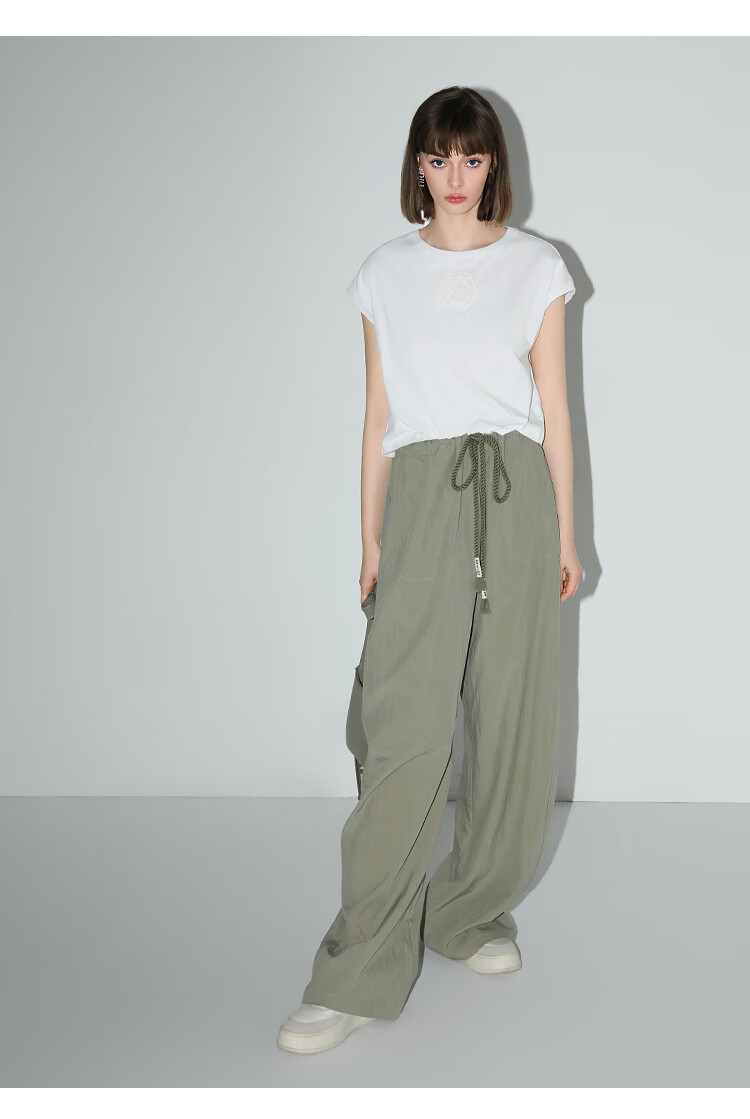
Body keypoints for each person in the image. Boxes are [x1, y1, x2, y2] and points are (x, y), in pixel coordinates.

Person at [277, 85, 583, 1055]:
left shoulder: (537, 266)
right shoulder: (385, 272)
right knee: (404, 730)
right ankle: (356, 968)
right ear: (417, 165)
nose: (456, 176)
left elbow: (556, 411)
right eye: (439, 157)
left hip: (519, 497)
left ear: (495, 165)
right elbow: (377, 414)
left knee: (512, 724)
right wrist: (371, 539)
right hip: (421, 495)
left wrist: (567, 534)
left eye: (473, 157)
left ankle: (466, 909)